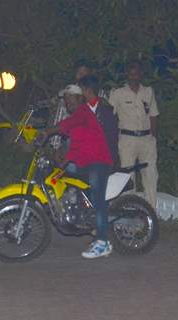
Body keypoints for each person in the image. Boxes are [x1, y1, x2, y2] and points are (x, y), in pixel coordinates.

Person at [38, 76, 114, 259]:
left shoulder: (83, 112)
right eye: (66, 100)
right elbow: (74, 144)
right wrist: (60, 162)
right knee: (65, 175)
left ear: (80, 99)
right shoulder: (78, 116)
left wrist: (47, 132)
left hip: (98, 162)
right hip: (86, 161)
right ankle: (80, 209)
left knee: (98, 200)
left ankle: (103, 241)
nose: (67, 103)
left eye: (71, 99)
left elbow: (66, 127)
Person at [108, 60, 159, 208]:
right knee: (127, 177)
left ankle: (151, 212)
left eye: (136, 74)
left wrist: (153, 137)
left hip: (146, 139)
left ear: (141, 75)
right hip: (127, 139)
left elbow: (154, 115)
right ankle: (129, 211)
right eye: (130, 75)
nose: (133, 77)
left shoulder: (148, 92)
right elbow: (111, 117)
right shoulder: (117, 93)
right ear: (126, 75)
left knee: (151, 176)